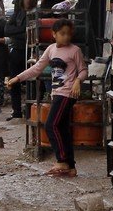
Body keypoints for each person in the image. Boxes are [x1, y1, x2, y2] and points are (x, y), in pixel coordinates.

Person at [7, 19, 88, 177]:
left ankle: (62, 160)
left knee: (51, 125)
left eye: (68, 34)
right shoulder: (51, 50)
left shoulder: (75, 50)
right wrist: (17, 78)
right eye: (62, 34)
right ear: (54, 34)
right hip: (56, 93)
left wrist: (78, 81)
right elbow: (37, 68)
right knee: (62, 128)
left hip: (68, 93)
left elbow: (84, 70)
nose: (65, 37)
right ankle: (70, 167)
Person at [3, 0, 36, 121]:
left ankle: (30, 111)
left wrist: (22, 34)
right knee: (14, 81)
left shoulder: (37, 14)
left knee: (31, 82)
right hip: (17, 51)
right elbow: (7, 30)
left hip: (31, 52)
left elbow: (33, 35)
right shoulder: (18, 14)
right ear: (23, 0)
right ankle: (16, 111)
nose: (28, 0)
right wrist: (23, 30)